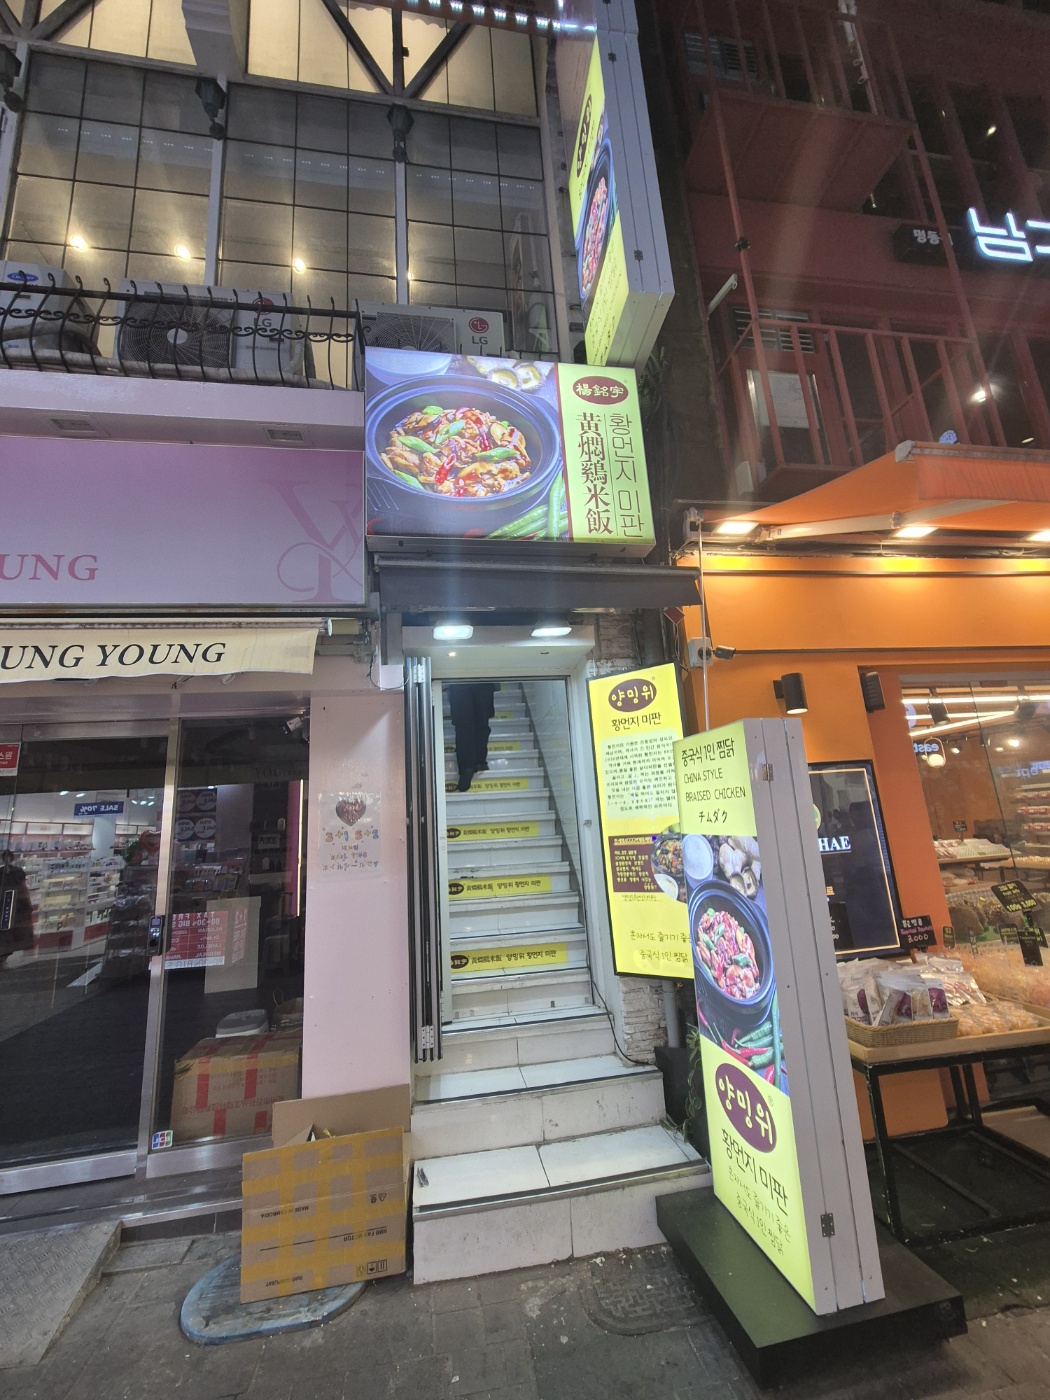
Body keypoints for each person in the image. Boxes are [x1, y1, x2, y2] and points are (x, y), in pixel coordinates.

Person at [448, 682, 497, 792]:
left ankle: (467, 766)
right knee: (482, 724)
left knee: (463, 727)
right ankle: (480, 761)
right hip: (483, 681)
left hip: (460, 683)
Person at [0, 849, 34, 968]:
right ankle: (4, 959)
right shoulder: (18, 872)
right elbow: (23, 889)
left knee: (5, 934)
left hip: (5, 907)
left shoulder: (2, 872)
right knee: (14, 934)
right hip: (16, 907)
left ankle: (2, 959)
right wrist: (28, 905)